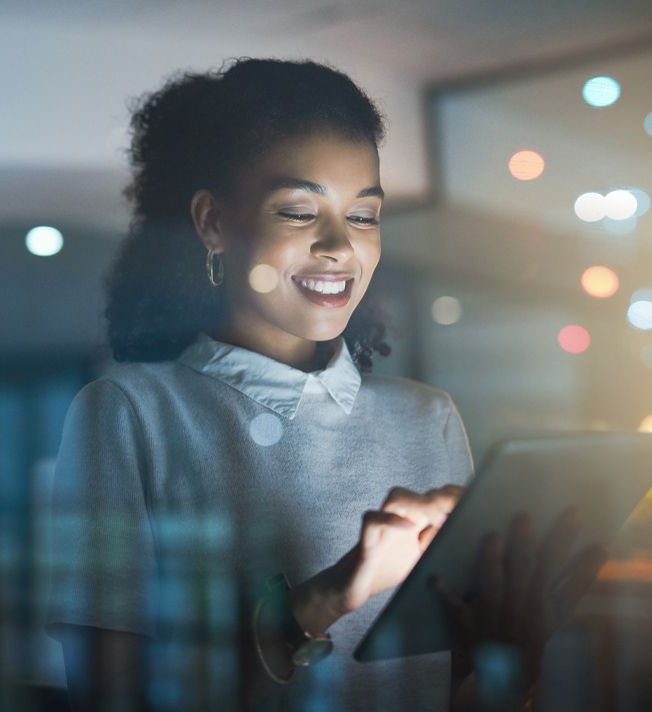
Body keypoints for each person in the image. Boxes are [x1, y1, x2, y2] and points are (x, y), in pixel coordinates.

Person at [43, 57, 605, 712]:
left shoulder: (428, 417)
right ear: (213, 224)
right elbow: (106, 698)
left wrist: (514, 653)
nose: (340, 246)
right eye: (299, 211)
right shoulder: (127, 413)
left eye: (363, 216)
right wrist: (326, 599)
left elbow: (459, 696)